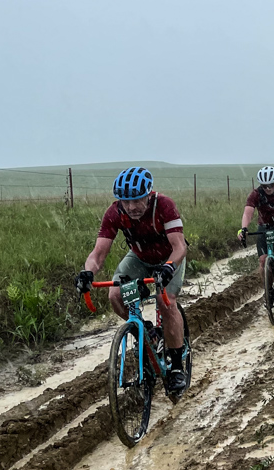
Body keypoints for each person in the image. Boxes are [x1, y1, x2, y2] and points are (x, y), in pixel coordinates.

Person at [76, 167, 189, 396]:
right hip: (139, 258)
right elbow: (99, 253)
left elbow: (180, 247)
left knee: (165, 300)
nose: (132, 207)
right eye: (126, 201)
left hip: (169, 258)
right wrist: (88, 272)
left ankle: (177, 367)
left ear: (148, 194)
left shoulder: (164, 205)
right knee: (115, 295)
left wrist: (168, 268)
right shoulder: (115, 212)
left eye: (137, 200)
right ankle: (146, 331)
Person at [237, 166, 274, 280]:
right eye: (265, 186)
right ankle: (269, 291)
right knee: (263, 260)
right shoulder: (255, 194)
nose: (268, 188)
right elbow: (247, 213)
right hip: (264, 226)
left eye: (271, 185)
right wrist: (244, 228)